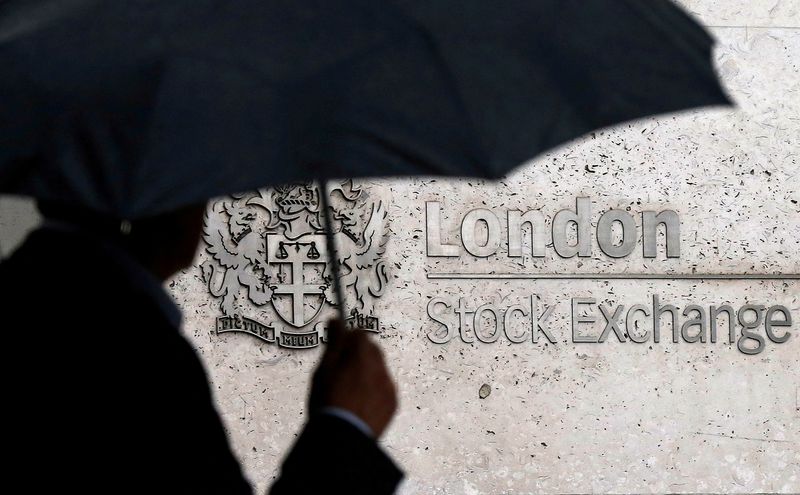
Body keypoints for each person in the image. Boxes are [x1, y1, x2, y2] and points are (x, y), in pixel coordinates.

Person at [0, 200, 402, 494]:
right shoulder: (129, 353)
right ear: (161, 199)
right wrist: (346, 428)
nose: (205, 209)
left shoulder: (30, 298)